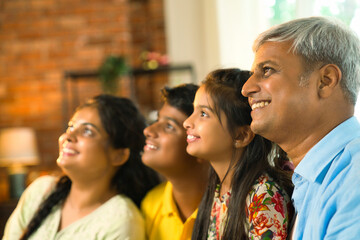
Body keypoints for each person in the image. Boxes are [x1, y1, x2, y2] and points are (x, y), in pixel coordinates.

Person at [241, 16, 360, 239]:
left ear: (325, 80)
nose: (246, 89)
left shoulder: (354, 177)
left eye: (267, 70)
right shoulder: (311, 176)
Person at [3, 94, 160, 240]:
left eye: (87, 131)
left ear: (119, 155)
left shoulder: (122, 221)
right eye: (70, 127)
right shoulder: (40, 191)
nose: (68, 137)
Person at [183, 68, 293, 240]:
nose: (187, 122)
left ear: (241, 135)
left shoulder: (264, 195)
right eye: (194, 111)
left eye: (203, 114)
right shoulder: (218, 189)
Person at [141, 84, 209, 240]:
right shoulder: (151, 205)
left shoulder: (228, 208)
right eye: (157, 120)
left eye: (169, 126)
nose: (148, 131)